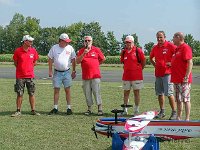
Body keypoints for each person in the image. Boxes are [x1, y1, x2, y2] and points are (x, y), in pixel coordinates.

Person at [150, 31, 177, 120]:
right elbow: (151, 58)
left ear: (164, 37)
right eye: (157, 37)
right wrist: (156, 65)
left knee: (169, 93)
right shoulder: (155, 47)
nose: (159, 39)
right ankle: (162, 111)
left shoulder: (170, 45)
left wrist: (172, 63)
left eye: (161, 37)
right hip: (158, 74)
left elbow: (178, 54)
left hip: (167, 74)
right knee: (159, 94)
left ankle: (174, 112)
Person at [48, 33, 76, 115]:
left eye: (68, 41)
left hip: (67, 72)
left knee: (68, 90)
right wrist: (50, 71)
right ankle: (55, 108)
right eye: (66, 41)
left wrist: (74, 71)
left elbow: (73, 59)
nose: (67, 43)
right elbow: (50, 59)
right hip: (57, 72)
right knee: (56, 90)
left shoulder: (70, 48)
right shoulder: (54, 48)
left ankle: (69, 108)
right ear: (61, 41)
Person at [76, 36, 106, 116]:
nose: (87, 42)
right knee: (87, 93)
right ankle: (89, 109)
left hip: (95, 76)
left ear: (92, 41)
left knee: (97, 92)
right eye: (85, 40)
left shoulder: (96, 49)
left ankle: (100, 109)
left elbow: (103, 59)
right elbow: (77, 61)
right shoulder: (81, 51)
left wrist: (97, 64)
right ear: (84, 42)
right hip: (85, 76)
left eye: (89, 40)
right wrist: (84, 53)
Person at [11, 35, 40, 117]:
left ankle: (33, 110)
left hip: (30, 76)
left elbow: (35, 61)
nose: (31, 42)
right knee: (19, 93)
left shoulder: (33, 51)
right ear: (25, 41)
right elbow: (15, 63)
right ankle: (18, 110)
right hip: (20, 76)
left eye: (31, 41)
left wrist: (29, 69)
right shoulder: (18, 51)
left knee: (32, 93)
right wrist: (22, 69)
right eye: (30, 41)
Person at [120, 35, 146, 116]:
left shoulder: (138, 51)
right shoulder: (123, 52)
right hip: (126, 76)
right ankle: (125, 109)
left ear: (133, 42)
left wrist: (139, 69)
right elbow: (123, 62)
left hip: (137, 76)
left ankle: (136, 110)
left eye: (129, 42)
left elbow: (143, 61)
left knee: (136, 93)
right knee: (126, 93)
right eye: (126, 42)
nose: (128, 44)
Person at [171, 32, 193, 121]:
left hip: (183, 80)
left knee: (186, 99)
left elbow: (190, 62)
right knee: (178, 100)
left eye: (173, 37)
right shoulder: (177, 49)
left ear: (179, 38)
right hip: (176, 79)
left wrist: (186, 76)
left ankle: (187, 119)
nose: (172, 39)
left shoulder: (185, 48)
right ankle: (178, 118)